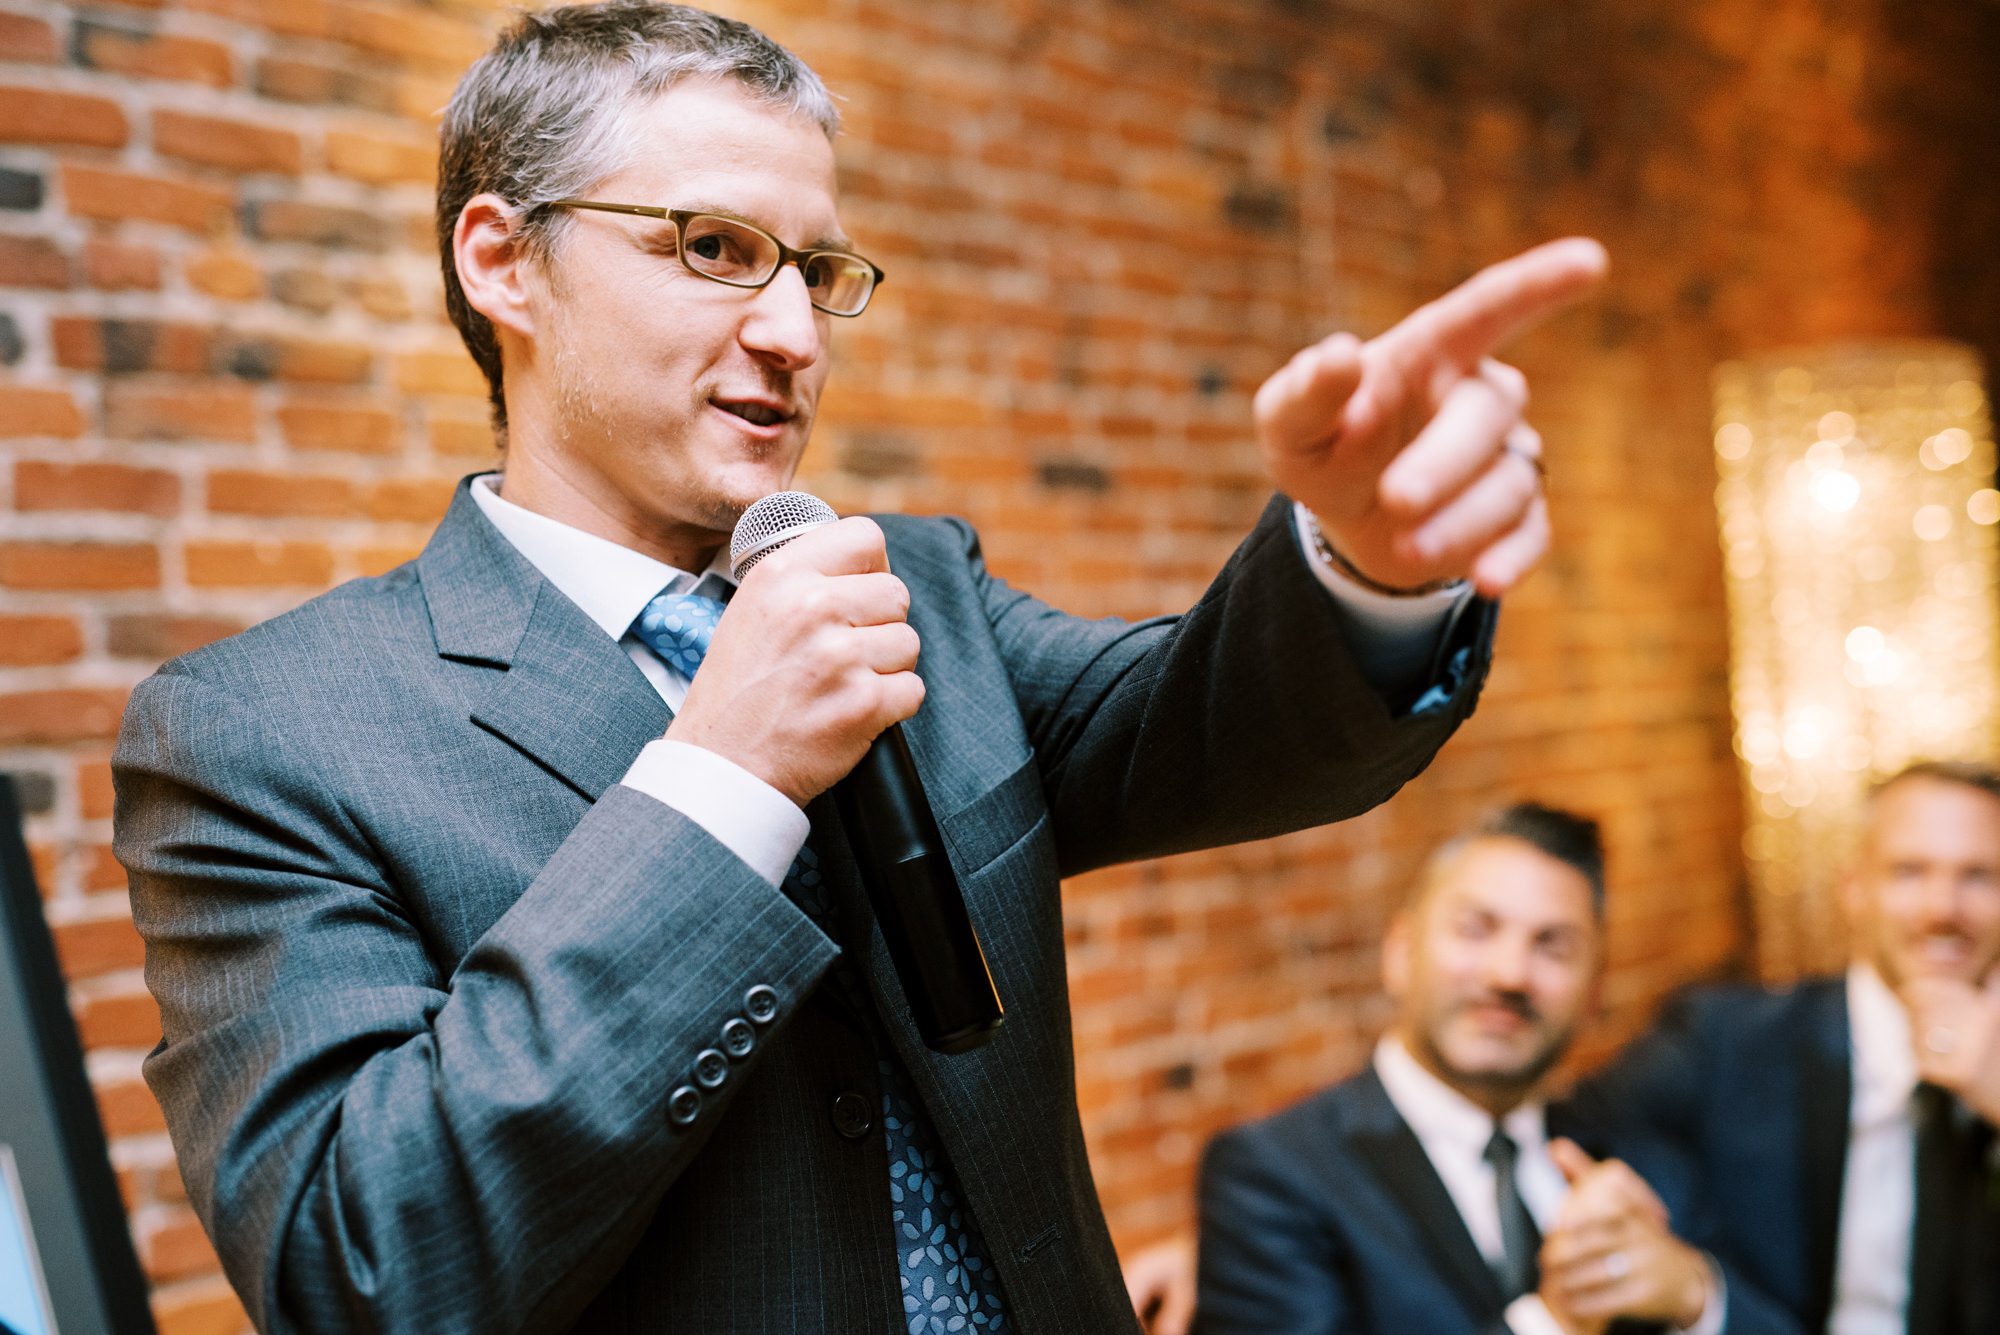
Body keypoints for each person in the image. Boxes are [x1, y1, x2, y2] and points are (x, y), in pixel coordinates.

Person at [111, 4, 1607, 1331]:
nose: (789, 332)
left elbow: (1217, 730)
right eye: (712, 249)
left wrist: (1368, 561)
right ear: (504, 260)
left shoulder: (915, 591)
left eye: (816, 269)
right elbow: (369, 1266)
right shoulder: (265, 733)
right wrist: (720, 777)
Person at [1193, 805, 1798, 1335]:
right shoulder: (1273, 1176)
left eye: (1553, 945)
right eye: (1475, 930)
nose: (1509, 973)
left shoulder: (1640, 1162)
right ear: (1401, 954)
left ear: (1593, 994)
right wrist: (1554, 1323)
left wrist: (1695, 1294)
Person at [1573, 761, 2000, 1335]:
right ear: (1854, 890)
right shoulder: (1725, 1042)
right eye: (1909, 872)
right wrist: (1694, 1276)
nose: (1942, 908)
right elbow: (1576, 1130)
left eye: (1979, 876)